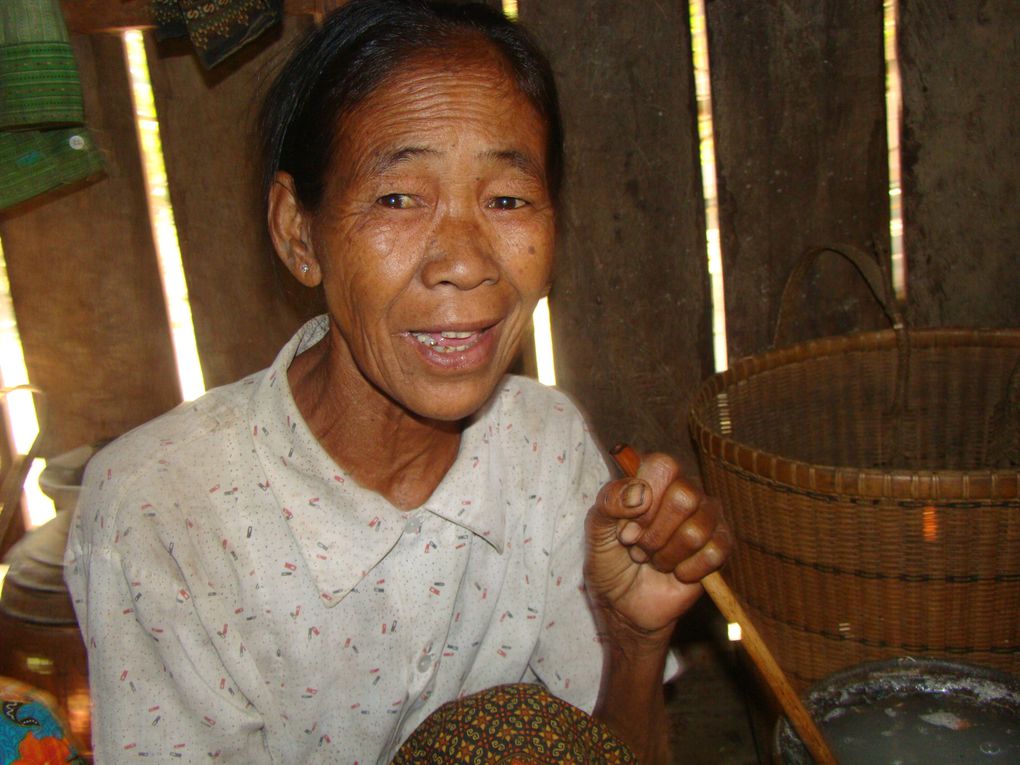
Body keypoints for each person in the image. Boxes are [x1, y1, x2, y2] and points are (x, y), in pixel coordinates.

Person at [64, 1, 730, 762]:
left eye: (507, 199)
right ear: (298, 232)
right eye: (397, 198)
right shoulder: (164, 513)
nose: (466, 259)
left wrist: (635, 639)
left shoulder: (543, 449)